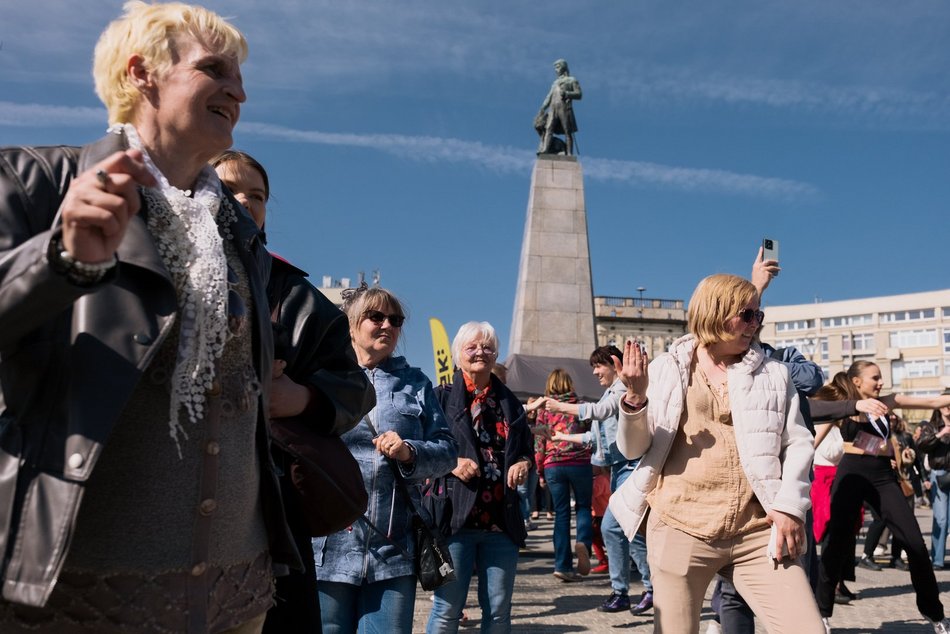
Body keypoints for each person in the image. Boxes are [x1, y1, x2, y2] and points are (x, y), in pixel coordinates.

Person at [0, 4, 301, 632]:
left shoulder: (238, 232)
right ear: (142, 73)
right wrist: (59, 259)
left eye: (240, 77)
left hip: (237, 600)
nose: (239, 92)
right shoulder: (34, 179)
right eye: (214, 69)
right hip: (81, 600)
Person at [212, 150, 375, 633]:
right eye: (229, 188)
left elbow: (353, 386)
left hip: (267, 505)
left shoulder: (291, 290)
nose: (245, 200)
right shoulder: (151, 260)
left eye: (257, 195)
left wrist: (301, 398)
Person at [609, 274, 823, 634]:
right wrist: (635, 400)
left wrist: (790, 507)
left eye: (759, 316)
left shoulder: (775, 373)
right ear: (715, 313)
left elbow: (798, 443)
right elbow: (632, 449)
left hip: (756, 529)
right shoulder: (665, 369)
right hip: (680, 525)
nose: (755, 324)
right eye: (747, 315)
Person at [307, 286, 456, 632]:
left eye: (396, 319)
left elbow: (448, 452)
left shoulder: (415, 383)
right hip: (328, 550)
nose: (387, 325)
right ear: (352, 324)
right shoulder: (322, 377)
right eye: (376, 316)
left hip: (393, 551)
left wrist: (410, 452)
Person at [815, 362, 950, 632]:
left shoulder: (887, 402)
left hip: (883, 478)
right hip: (851, 474)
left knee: (914, 543)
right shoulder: (844, 405)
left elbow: (933, 400)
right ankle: (821, 614)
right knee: (835, 544)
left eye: (881, 378)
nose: (881, 382)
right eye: (874, 378)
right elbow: (815, 438)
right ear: (856, 382)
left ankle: (935, 614)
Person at [426, 322, 534, 634]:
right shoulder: (439, 398)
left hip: (501, 521)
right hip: (455, 520)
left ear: (496, 354)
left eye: (487, 347)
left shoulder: (511, 403)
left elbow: (527, 448)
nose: (480, 353)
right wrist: (450, 463)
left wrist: (525, 463)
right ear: (458, 353)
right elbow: (419, 452)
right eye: (472, 347)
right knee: (447, 610)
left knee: (499, 613)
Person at [539, 344, 653, 615]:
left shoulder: (622, 391)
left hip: (631, 467)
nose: (594, 372)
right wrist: (562, 437)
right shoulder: (606, 394)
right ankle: (651, 588)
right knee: (632, 532)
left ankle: (621, 591)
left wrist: (559, 406)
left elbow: (600, 412)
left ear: (614, 363)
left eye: (598, 366)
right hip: (617, 469)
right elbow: (593, 437)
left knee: (611, 528)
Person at [532, 368, 593, 581]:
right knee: (584, 507)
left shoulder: (544, 409)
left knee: (562, 514)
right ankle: (583, 543)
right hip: (580, 462)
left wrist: (539, 470)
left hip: (553, 464)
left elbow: (539, 442)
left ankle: (562, 566)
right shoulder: (579, 404)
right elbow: (590, 435)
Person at [916, 395, 950, 569]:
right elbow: (921, 445)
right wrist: (941, 434)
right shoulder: (932, 426)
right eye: (944, 404)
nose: (947, 407)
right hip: (939, 475)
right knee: (942, 519)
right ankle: (937, 560)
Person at [535, 58, 582, 155]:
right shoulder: (555, 83)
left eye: (557, 67)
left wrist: (567, 93)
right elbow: (549, 96)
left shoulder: (571, 80)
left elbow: (579, 94)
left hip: (564, 107)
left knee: (567, 131)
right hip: (552, 108)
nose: (556, 70)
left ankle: (569, 153)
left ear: (563, 67)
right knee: (549, 128)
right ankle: (545, 149)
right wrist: (543, 108)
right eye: (555, 68)